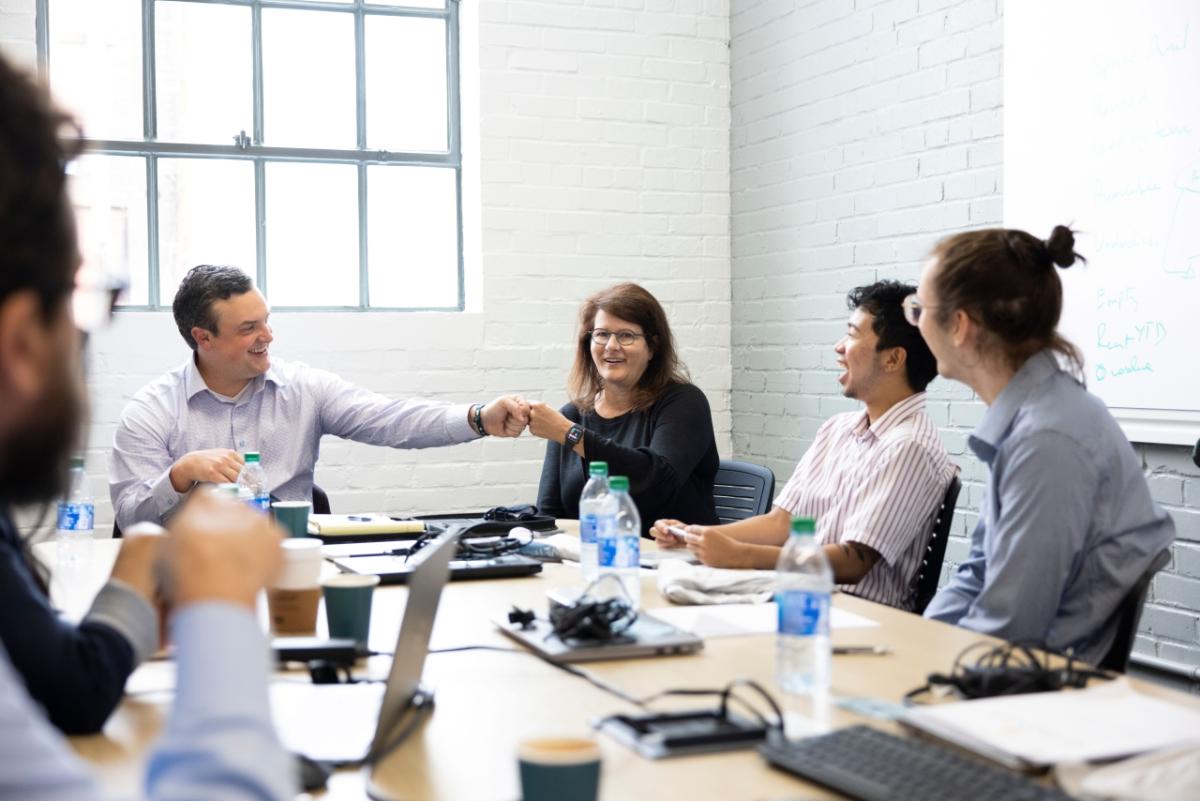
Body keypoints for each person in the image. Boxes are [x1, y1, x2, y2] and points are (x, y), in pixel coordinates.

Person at [0, 51, 291, 799]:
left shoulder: (299, 384)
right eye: (87, 296)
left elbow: (64, 689)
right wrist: (221, 610)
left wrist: (128, 589)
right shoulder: (152, 406)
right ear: (22, 337)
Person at [914, 225, 1175, 664]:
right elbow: (978, 572)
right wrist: (915, 645)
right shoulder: (1031, 418)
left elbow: (1009, 629)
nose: (916, 321)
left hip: (1032, 695)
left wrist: (919, 669)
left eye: (918, 308)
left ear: (959, 325)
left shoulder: (1046, 440)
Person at [109, 264, 529, 530]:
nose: (268, 337)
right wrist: (179, 476)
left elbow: (389, 418)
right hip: (188, 575)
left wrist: (479, 418)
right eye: (248, 328)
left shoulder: (303, 388)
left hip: (292, 563)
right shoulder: (151, 412)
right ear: (203, 338)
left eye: (267, 322)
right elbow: (128, 518)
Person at [652, 281, 956, 611]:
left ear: (894, 359)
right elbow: (781, 523)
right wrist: (698, 536)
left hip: (855, 613)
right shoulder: (838, 430)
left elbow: (854, 561)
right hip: (795, 596)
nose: (840, 347)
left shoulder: (909, 447)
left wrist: (741, 556)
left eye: (853, 334)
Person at [531, 283, 719, 532]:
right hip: (592, 559)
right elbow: (549, 515)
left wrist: (571, 434)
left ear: (652, 347)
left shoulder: (683, 402)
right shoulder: (571, 415)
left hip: (676, 562)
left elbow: (657, 483)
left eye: (626, 335)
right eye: (601, 334)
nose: (611, 346)